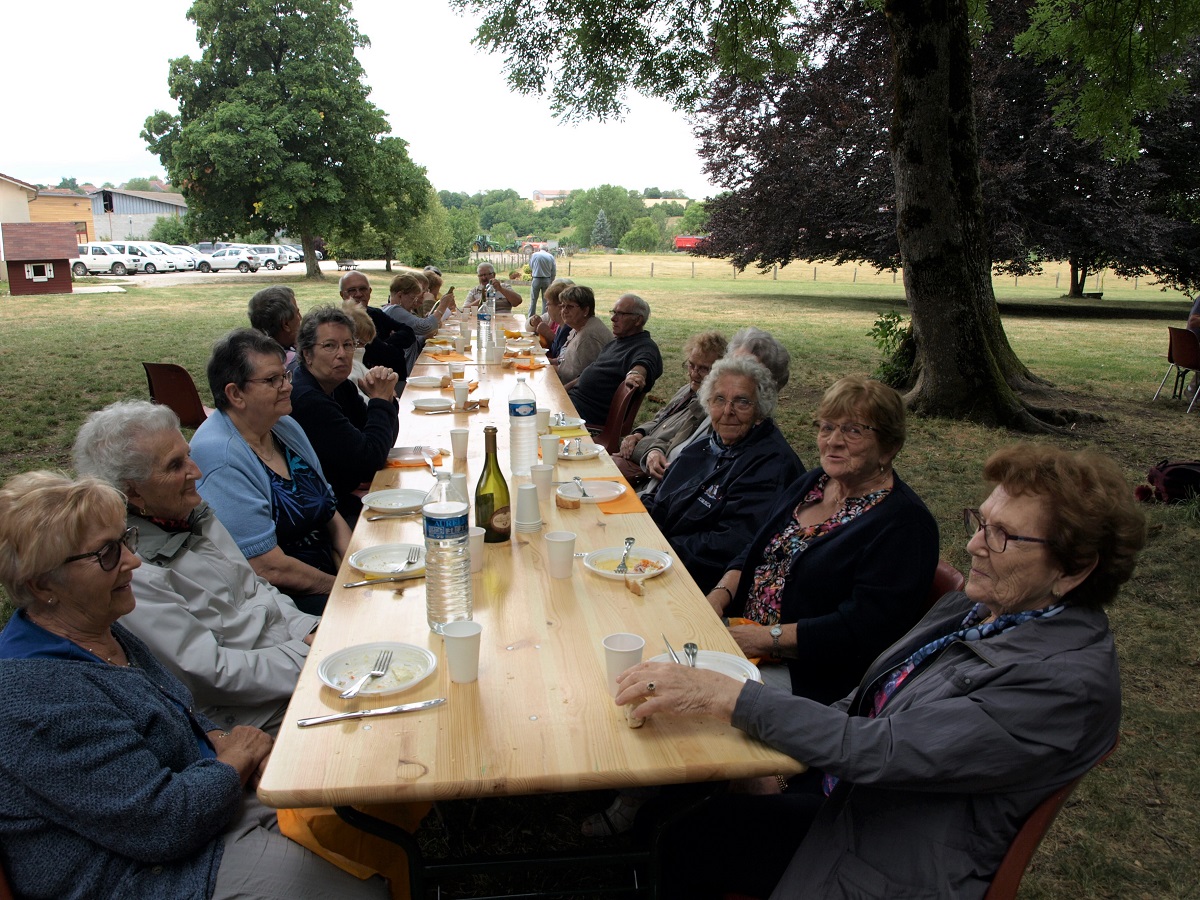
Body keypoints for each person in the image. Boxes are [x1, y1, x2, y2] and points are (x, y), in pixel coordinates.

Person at [619, 443, 1145, 900]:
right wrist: (776, 759)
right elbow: (872, 698)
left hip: (887, 858)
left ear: (1075, 569)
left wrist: (733, 699)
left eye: (1003, 535)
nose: (973, 545)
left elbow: (885, 749)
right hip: (859, 802)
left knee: (687, 839)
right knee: (682, 818)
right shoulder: (987, 608)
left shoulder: (1062, 684)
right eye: (980, 522)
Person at [0, 471, 387, 900]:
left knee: (356, 788)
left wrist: (222, 739)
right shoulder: (37, 697)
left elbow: (177, 710)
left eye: (125, 541)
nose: (132, 562)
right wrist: (237, 758)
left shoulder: (98, 627)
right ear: (41, 585)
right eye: (108, 554)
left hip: (200, 806)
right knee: (361, 893)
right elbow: (161, 825)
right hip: (145, 872)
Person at [72, 400, 318, 735]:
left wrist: (309, 629)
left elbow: (256, 588)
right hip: (255, 714)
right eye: (175, 466)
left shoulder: (189, 511)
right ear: (133, 490)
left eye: (188, 454)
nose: (197, 472)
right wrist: (312, 657)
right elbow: (211, 674)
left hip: (296, 662)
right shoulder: (131, 569)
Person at [709, 376, 938, 704]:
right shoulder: (815, 482)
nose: (833, 441)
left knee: (686, 693)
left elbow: (860, 630)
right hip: (744, 638)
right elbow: (758, 548)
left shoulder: (905, 526)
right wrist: (718, 597)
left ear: (889, 446)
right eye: (827, 427)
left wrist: (765, 639)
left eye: (853, 430)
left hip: (811, 679)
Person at [190, 328, 352, 615]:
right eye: (272, 380)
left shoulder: (283, 426)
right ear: (235, 393)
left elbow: (329, 510)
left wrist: (355, 564)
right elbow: (268, 567)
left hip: (330, 571)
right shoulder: (221, 456)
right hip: (281, 600)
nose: (287, 386)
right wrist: (343, 588)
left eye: (285, 375)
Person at [646, 356, 805, 592]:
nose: (728, 411)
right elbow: (661, 499)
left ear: (760, 410)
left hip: (699, 583)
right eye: (719, 399)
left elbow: (729, 545)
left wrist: (659, 549)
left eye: (742, 402)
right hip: (660, 559)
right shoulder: (706, 445)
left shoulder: (771, 465)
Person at [637, 327, 792, 496]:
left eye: (748, 370)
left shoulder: (765, 459)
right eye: (731, 365)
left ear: (768, 388)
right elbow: (671, 443)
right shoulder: (712, 414)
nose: (734, 376)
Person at [287, 306, 400, 526]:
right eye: (330, 346)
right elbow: (370, 459)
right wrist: (379, 400)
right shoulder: (308, 399)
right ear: (307, 354)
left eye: (348, 345)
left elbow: (382, 442)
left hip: (345, 496)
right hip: (325, 517)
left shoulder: (340, 386)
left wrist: (385, 399)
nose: (342, 354)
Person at [615, 330, 727, 486]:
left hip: (646, 474)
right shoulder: (686, 390)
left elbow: (674, 449)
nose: (694, 374)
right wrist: (638, 434)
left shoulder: (707, 408)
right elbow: (660, 418)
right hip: (635, 458)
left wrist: (642, 447)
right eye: (691, 365)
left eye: (704, 369)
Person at [566, 293, 663, 425]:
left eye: (620, 314)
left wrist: (635, 374)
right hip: (571, 404)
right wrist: (562, 391)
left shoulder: (645, 347)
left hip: (586, 419)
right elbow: (587, 374)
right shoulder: (618, 341)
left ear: (638, 320)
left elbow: (644, 363)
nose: (613, 318)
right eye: (613, 312)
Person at [339, 270, 415, 374]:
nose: (358, 294)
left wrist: (386, 343)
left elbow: (409, 333)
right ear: (342, 294)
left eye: (363, 289)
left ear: (370, 291)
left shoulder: (376, 313)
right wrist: (394, 347)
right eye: (352, 290)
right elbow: (377, 353)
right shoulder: (341, 321)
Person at [382, 272, 456, 372]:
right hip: (402, 372)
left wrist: (425, 336)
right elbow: (425, 327)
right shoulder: (394, 310)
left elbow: (415, 339)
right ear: (400, 296)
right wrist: (442, 306)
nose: (414, 302)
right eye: (412, 298)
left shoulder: (396, 310)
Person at [551, 285, 613, 382]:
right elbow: (562, 360)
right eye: (563, 306)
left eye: (570, 307)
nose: (564, 311)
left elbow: (582, 379)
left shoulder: (589, 337)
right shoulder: (577, 328)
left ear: (585, 310)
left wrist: (552, 370)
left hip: (576, 394)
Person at [247, 285, 301, 366]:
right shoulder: (295, 363)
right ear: (286, 324)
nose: (300, 317)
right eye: (297, 313)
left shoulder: (248, 354)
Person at [528, 277, 574, 356]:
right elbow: (554, 350)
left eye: (548, 304)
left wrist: (548, 333)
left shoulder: (567, 328)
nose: (546, 308)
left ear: (560, 306)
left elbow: (561, 359)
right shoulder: (560, 325)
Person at [529, 245, 557, 315]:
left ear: (539, 249)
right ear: (547, 250)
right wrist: (551, 280)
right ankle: (545, 316)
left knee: (533, 300)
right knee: (546, 300)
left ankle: (531, 316)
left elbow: (531, 265)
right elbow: (553, 270)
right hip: (546, 279)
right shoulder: (550, 256)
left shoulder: (534, 255)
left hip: (536, 278)